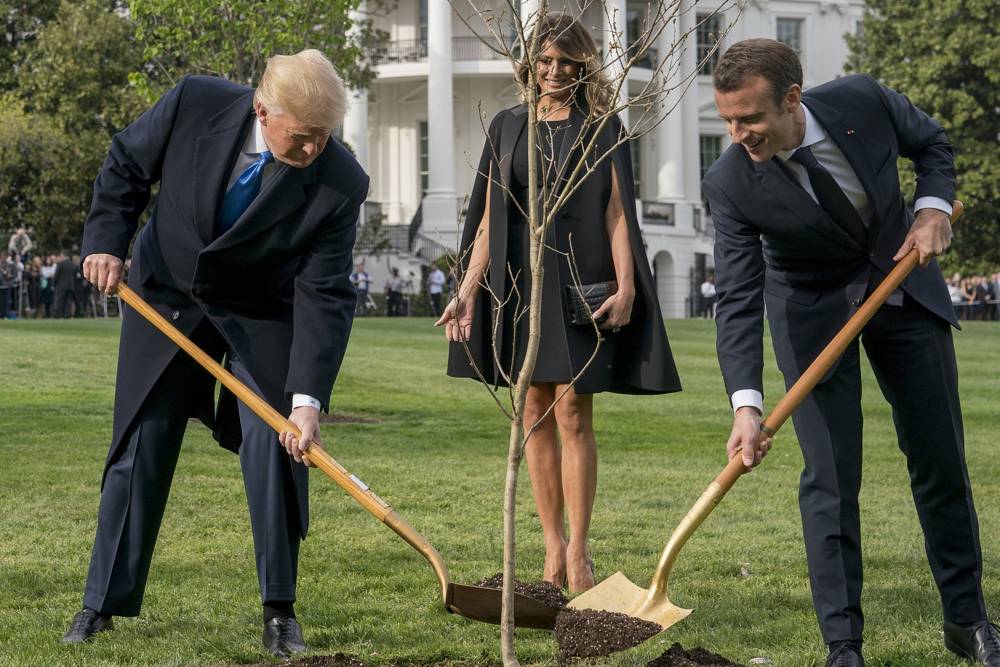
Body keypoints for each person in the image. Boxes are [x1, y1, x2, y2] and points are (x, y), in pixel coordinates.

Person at [61, 50, 367, 659]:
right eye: (301, 138)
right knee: (142, 438)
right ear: (263, 110)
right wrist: (106, 242)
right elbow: (126, 164)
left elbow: (324, 292)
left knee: (275, 439)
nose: (313, 151)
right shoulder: (194, 101)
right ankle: (101, 602)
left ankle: (279, 610)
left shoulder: (340, 181)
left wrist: (306, 401)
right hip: (165, 295)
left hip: (260, 313)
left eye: (323, 138)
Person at [703, 38, 998, 666]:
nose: (738, 134)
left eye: (750, 118)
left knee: (939, 460)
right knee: (831, 480)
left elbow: (933, 145)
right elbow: (735, 294)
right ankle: (844, 645)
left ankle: (969, 621)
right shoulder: (730, 181)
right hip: (810, 312)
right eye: (727, 119)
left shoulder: (862, 99)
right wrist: (746, 405)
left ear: (792, 99)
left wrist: (932, 207)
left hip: (899, 278)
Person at [436, 13, 680, 593]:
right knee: (532, 413)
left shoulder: (603, 128)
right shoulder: (506, 126)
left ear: (581, 64)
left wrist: (627, 287)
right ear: (530, 64)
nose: (552, 71)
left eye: (564, 61)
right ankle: (550, 548)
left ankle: (580, 551)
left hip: (580, 279)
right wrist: (467, 288)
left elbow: (619, 213)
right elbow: (493, 217)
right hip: (522, 281)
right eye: (543, 60)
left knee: (573, 412)